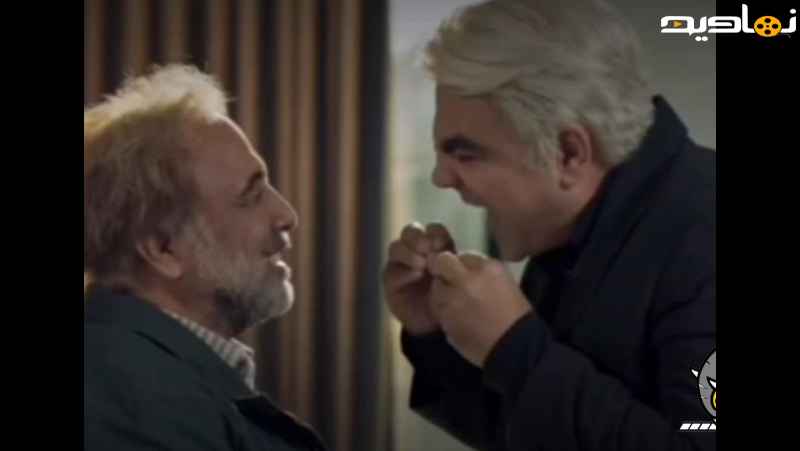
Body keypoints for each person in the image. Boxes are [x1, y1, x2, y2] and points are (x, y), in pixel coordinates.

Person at [382, 0, 716, 450]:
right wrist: (435, 335)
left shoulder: (703, 234)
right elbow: (528, 432)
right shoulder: (575, 231)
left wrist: (517, 349)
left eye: (466, 154)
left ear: (569, 153)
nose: (440, 177)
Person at [84, 64, 327, 451]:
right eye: (250, 196)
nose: (287, 215)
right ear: (163, 248)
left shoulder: (144, 372)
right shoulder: (128, 396)